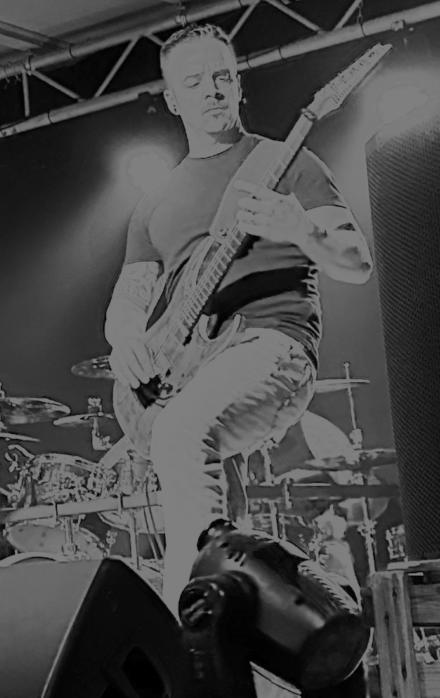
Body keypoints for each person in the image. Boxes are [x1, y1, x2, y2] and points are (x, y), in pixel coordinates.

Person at [105, 19, 371, 637]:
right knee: (181, 453)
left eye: (223, 76)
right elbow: (129, 299)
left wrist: (302, 229)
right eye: (195, 81)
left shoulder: (287, 162)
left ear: (239, 84)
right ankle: (233, 628)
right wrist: (126, 343)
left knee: (180, 431)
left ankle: (194, 632)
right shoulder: (154, 202)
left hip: (274, 344)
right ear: (173, 99)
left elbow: (357, 261)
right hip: (190, 367)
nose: (213, 89)